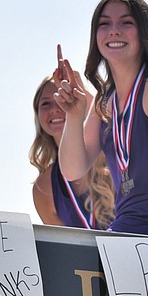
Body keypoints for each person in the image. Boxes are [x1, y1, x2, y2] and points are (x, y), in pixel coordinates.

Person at [53, 0, 148, 256]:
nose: (114, 31)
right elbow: (72, 169)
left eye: (126, 22)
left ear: (143, 31)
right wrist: (74, 116)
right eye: (104, 24)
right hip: (125, 231)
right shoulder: (104, 100)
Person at [30, 75, 114, 229]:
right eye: (46, 103)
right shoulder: (44, 187)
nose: (55, 109)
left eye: (63, 98)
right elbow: (67, 249)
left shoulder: (113, 156)